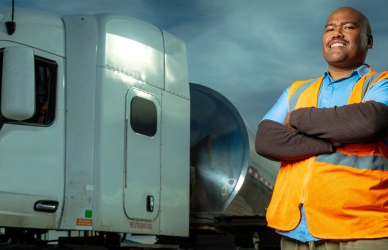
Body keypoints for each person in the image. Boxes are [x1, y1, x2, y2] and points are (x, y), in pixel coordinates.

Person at [255, 6, 388, 250]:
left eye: (348, 27)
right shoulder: (296, 90)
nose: (336, 33)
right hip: (295, 230)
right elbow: (265, 140)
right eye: (330, 29)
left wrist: (296, 119)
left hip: (362, 231)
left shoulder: (380, 83)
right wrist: (332, 141)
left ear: (368, 41)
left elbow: (370, 121)